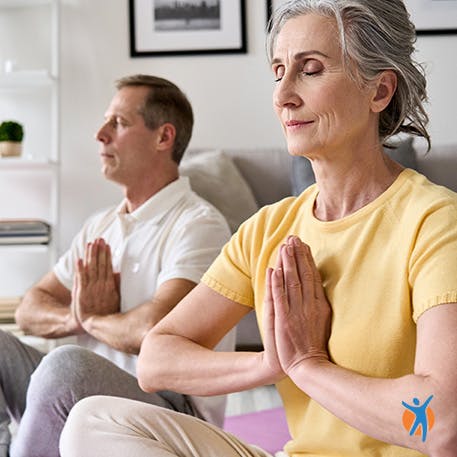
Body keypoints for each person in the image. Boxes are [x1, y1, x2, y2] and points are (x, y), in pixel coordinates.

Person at [59, 1, 457, 456]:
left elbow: (442, 423)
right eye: (278, 71)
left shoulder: (434, 222)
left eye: (310, 69)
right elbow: (156, 360)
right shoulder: (270, 228)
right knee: (93, 422)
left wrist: (308, 365)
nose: (283, 94)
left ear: (379, 91)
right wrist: (272, 362)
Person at [0, 74, 233, 457]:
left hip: (169, 409)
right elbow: (29, 309)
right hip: (85, 397)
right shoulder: (100, 225)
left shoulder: (199, 225)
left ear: (164, 138)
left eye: (119, 123)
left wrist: (93, 321)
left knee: (65, 367)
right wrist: (79, 318)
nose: (100, 134)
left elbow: (155, 329)